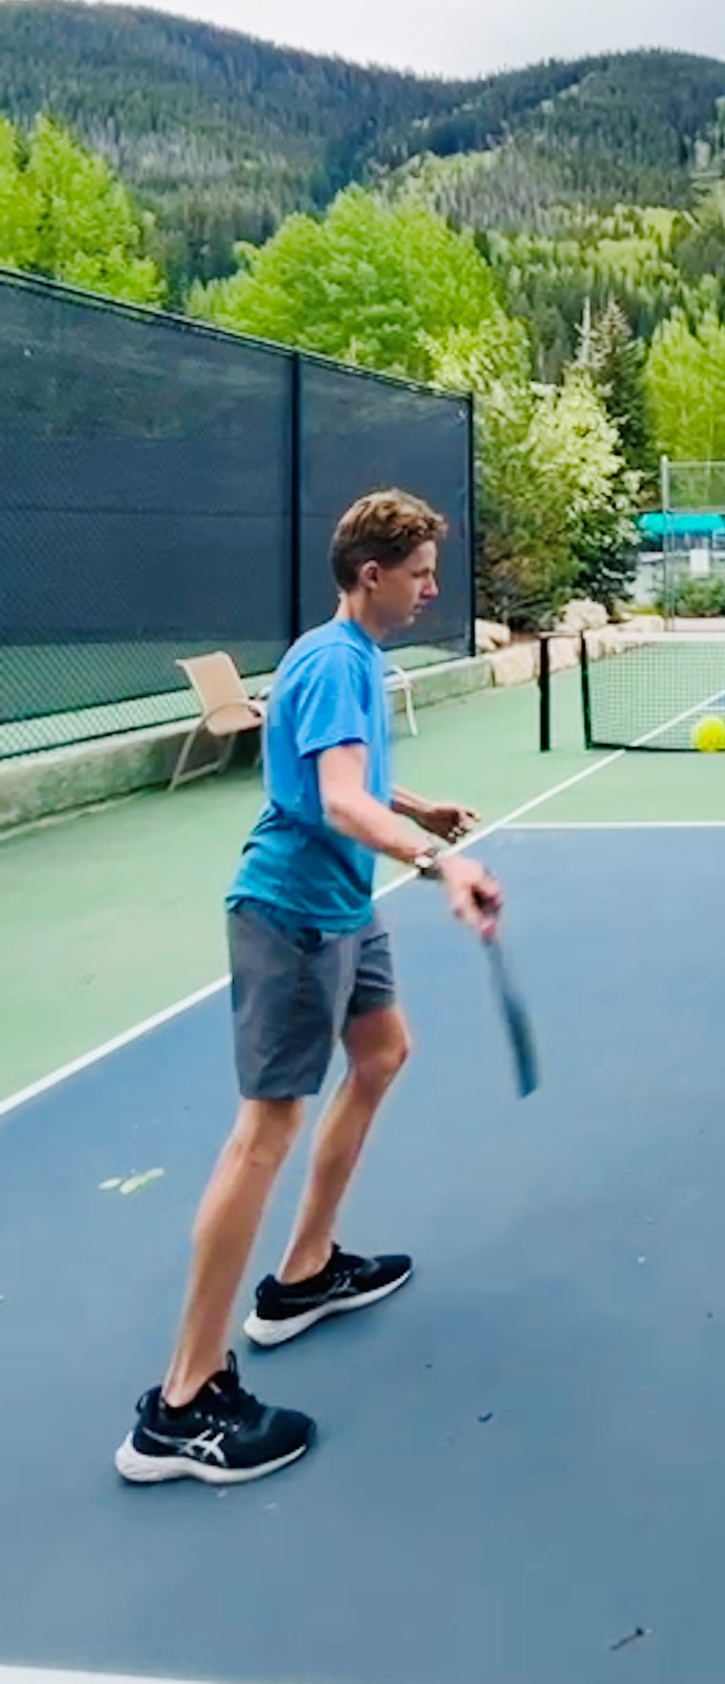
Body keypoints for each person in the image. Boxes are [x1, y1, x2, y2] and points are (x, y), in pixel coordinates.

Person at [116, 490, 505, 1485]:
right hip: (289, 914)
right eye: (419, 572)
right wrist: (437, 859)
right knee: (263, 1134)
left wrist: (417, 801)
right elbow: (334, 799)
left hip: (341, 906)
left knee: (382, 1053)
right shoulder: (337, 662)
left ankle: (302, 1276)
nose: (431, 589)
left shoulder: (343, 657)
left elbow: (332, 773)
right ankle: (182, 1403)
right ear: (371, 575)